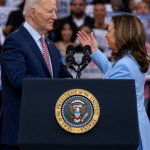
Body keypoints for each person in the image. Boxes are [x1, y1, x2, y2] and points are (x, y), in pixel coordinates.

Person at [0, 0, 73, 149]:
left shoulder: (49, 45)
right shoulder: (14, 41)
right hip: (21, 131)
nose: (55, 17)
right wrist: (53, 86)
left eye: (55, 11)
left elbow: (65, 77)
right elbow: (19, 80)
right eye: (50, 11)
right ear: (33, 12)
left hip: (46, 129)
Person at [77, 13, 150, 150]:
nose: (106, 36)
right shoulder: (129, 59)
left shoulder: (125, 65)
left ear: (121, 34)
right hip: (134, 128)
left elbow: (107, 98)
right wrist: (94, 51)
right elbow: (112, 70)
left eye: (109, 31)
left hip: (128, 132)